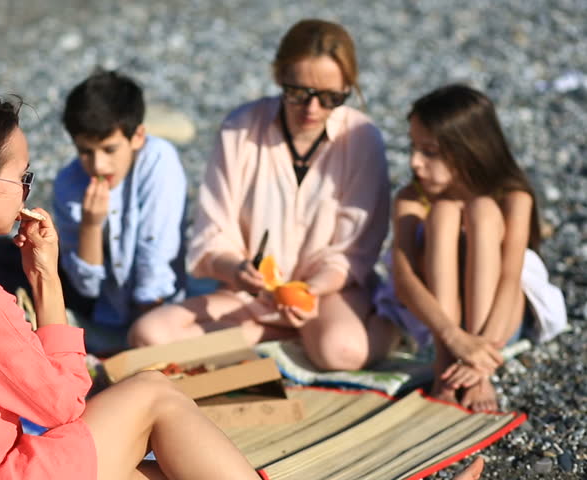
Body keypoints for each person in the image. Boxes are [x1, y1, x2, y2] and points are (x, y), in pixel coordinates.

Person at [0, 87, 261, 480]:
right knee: (153, 391)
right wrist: (46, 279)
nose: (27, 191)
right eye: (23, 177)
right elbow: (63, 405)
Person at [129, 19, 397, 371]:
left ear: (348, 87)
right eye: (298, 93)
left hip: (328, 293)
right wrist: (237, 270)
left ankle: (390, 326)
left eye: (331, 98)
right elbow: (213, 233)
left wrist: (312, 291)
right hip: (249, 293)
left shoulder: (361, 137)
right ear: (278, 76)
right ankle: (272, 334)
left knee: (341, 351)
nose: (312, 109)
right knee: (148, 336)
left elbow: (355, 251)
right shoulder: (240, 128)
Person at [375, 84, 567, 411]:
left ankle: (477, 377)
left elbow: (509, 278)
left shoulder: (513, 197)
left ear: (469, 149)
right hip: (438, 326)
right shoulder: (412, 198)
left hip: (500, 318)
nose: (415, 162)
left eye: (429, 151)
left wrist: (480, 360)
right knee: (445, 212)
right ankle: (444, 366)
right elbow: (404, 280)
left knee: (480, 209)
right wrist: (452, 338)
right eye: (413, 148)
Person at [53, 70, 188, 354]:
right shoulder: (68, 183)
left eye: (109, 149)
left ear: (138, 136)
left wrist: (146, 347)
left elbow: (154, 263)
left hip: (160, 312)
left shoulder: (158, 161)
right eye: (86, 152)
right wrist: (90, 225)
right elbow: (85, 287)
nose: (99, 165)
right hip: (104, 314)